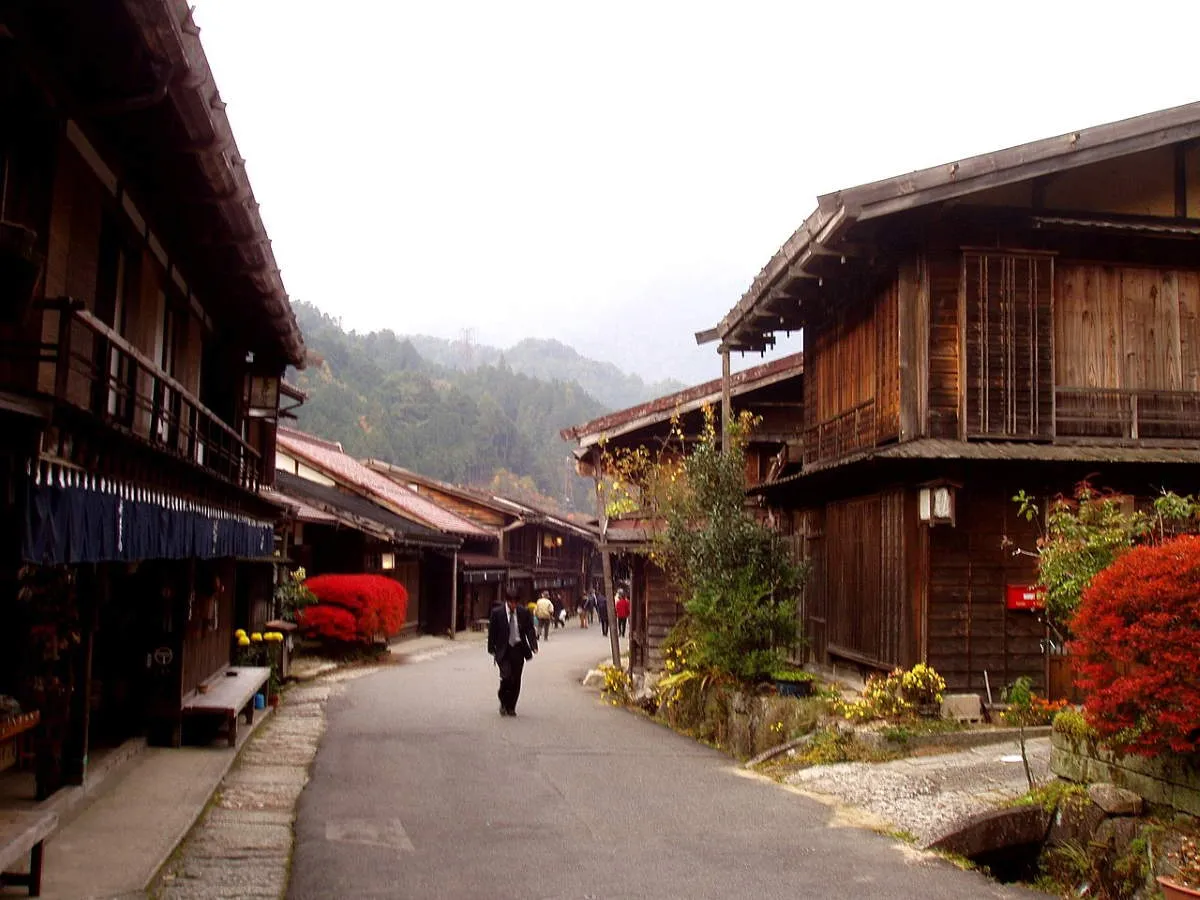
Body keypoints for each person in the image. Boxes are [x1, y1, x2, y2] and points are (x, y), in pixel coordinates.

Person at [487, 595, 538, 716]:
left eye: (516, 603)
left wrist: (533, 645)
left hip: (518, 649)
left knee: (516, 679)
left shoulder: (523, 612)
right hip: (503, 650)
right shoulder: (497, 613)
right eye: (512, 603)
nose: (514, 606)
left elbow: (529, 629)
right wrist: (491, 648)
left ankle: (511, 706)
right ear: (507, 602)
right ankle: (503, 701)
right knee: (506, 677)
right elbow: (492, 631)